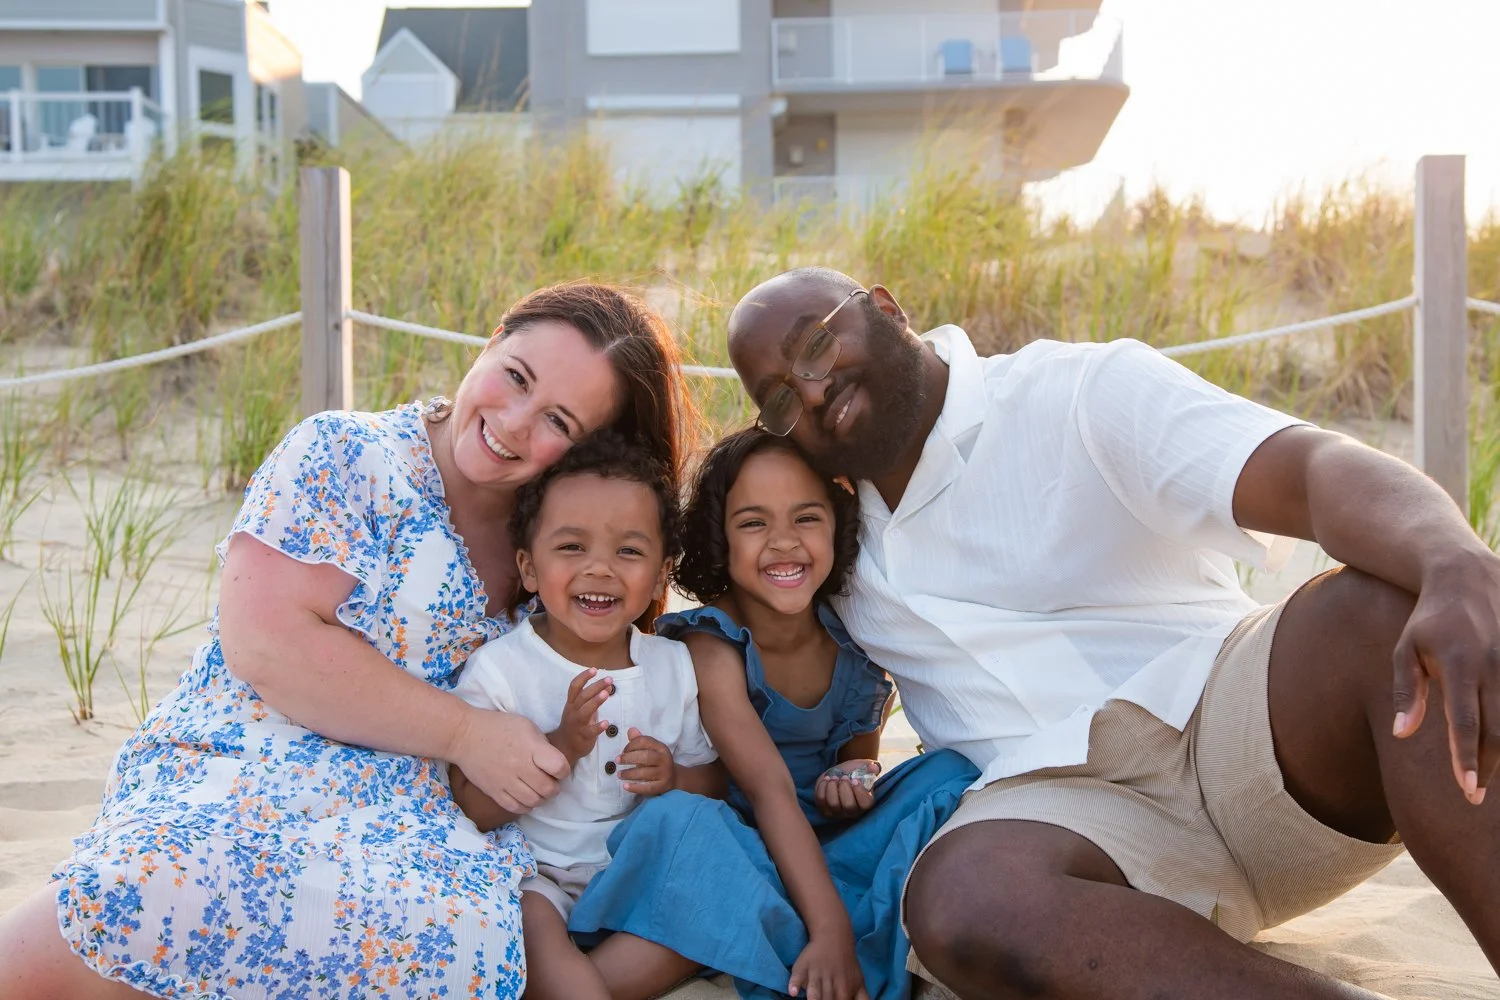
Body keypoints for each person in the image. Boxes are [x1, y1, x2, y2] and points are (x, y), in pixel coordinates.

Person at [721, 266, 1500, 1000]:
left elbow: (1312, 469)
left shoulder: (1076, 392)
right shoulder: (822, 543)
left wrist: (1453, 560)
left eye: (818, 344)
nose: (815, 391)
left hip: (1233, 731)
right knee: (961, 897)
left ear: (886, 309)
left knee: (1385, 607)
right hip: (1067, 824)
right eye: (782, 398)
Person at [0, 283, 695, 1000]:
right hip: (260, 745)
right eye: (516, 377)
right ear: (490, 342)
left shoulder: (562, 539)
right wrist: (466, 733)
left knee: (457, 932)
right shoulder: (350, 454)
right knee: (169, 874)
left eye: (558, 421)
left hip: (427, 802)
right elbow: (268, 645)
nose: (515, 424)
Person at [568, 427, 979, 1000]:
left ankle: (778, 928)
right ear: (721, 540)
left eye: (806, 518)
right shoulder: (713, 646)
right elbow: (769, 794)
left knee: (951, 775)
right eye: (754, 523)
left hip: (827, 845)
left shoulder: (854, 644)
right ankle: (825, 930)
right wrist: (831, 931)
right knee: (685, 823)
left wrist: (851, 779)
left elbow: (855, 762)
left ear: (838, 525)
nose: (783, 542)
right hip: (743, 846)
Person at [447, 431, 721, 1000]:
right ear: (528, 567)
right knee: (531, 925)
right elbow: (471, 808)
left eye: (628, 551)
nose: (599, 569)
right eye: (571, 547)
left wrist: (674, 777)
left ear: (662, 572)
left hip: (635, 871)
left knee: (700, 908)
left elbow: (712, 782)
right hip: (535, 870)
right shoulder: (500, 671)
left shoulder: (673, 665)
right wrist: (561, 747)